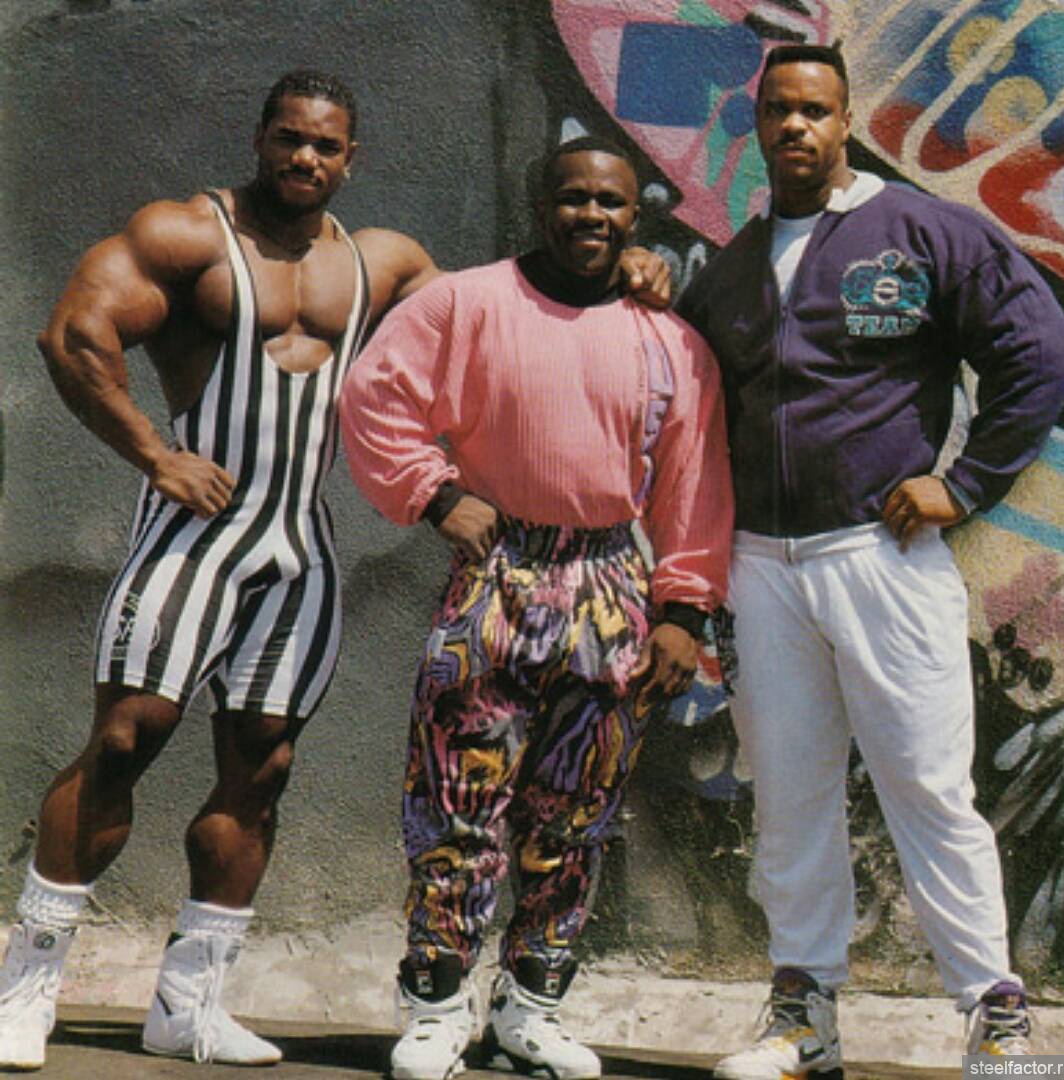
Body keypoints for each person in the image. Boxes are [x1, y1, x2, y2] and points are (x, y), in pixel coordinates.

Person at [0, 69, 673, 1072]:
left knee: (262, 764)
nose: (305, 158)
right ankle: (26, 986)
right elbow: (73, 332)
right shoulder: (188, 235)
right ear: (261, 138)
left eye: (325, 145)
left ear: (351, 158)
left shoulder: (384, 263)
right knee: (128, 736)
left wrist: (628, 266)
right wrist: (154, 454)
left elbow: (515, 311)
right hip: (194, 536)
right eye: (289, 139)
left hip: (299, 546)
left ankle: (189, 1004)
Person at [674, 43, 1064, 1077]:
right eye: (778, 109)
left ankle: (996, 1019)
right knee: (788, 794)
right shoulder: (731, 267)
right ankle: (803, 1017)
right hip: (763, 567)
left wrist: (966, 483)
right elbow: (678, 393)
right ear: (757, 122)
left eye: (815, 110)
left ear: (845, 120)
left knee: (928, 787)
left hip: (880, 557)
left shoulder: (922, 231)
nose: (795, 126)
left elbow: (1041, 348)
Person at [340, 134, 734, 1080]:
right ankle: (436, 1005)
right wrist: (435, 492)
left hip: (610, 587)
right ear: (540, 204)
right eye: (573, 197)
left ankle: (531, 1008)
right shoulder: (467, 303)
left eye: (610, 202)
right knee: (457, 800)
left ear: (636, 217)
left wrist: (683, 610)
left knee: (576, 816)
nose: (590, 215)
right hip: (498, 577)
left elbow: (694, 479)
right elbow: (372, 395)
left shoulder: (670, 342)